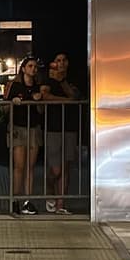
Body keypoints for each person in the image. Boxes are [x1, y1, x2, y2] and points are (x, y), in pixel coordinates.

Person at [41, 52, 80, 215]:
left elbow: (74, 95)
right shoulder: (48, 79)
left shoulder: (72, 79)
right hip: (53, 127)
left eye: (64, 60)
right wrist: (66, 101)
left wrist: (62, 81)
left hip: (70, 126)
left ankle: (61, 204)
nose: (61, 63)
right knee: (56, 169)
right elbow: (45, 96)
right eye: (58, 60)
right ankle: (49, 189)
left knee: (66, 167)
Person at [5, 57, 44, 215]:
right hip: (18, 127)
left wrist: (39, 101)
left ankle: (28, 200)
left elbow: (41, 110)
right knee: (19, 166)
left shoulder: (38, 87)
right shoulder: (14, 86)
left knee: (30, 166)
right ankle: (15, 199)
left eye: (35, 66)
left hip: (33, 127)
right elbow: (5, 107)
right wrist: (13, 102)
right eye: (30, 66)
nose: (33, 69)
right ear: (23, 69)